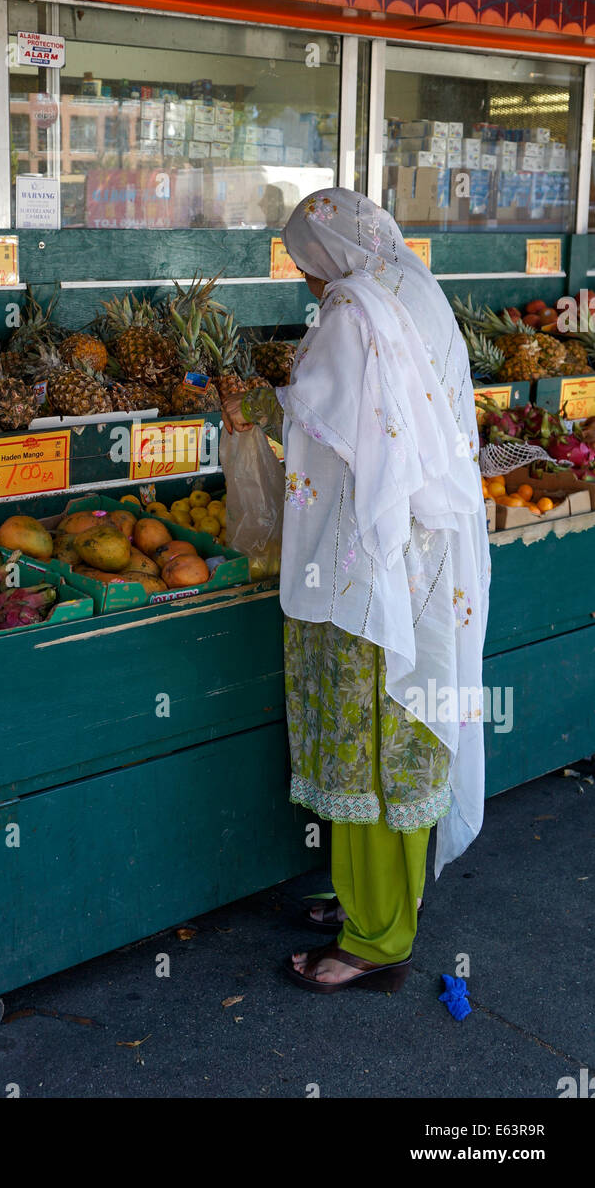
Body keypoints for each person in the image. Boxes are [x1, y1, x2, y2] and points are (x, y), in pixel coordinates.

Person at [221, 187, 490, 993]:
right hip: (429, 557)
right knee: (404, 730)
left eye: (305, 264)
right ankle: (369, 899)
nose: (306, 281)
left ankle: (376, 941)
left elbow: (328, 426)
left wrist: (255, 412)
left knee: (363, 743)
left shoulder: (350, 310)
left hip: (361, 567)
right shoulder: (416, 286)